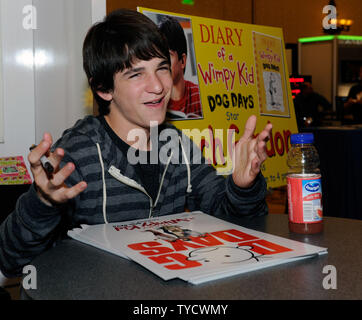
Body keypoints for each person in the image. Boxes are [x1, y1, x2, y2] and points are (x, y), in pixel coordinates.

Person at [0, 9, 272, 277]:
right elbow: (10, 259)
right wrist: (42, 203)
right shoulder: (77, 154)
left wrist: (242, 186)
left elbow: (236, 222)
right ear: (104, 89)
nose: (157, 86)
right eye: (136, 74)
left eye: (162, 68)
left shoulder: (177, 146)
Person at [158, 16, 203, 120]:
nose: (162, 63)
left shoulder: (199, 95)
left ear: (182, 60)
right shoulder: (155, 99)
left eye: (168, 55)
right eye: (159, 56)